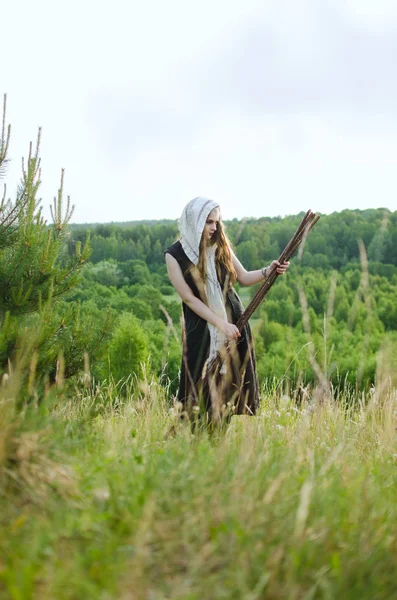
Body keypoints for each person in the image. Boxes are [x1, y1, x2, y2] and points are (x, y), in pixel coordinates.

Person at [165, 197, 289, 420]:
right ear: (194, 222)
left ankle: (219, 443)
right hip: (201, 330)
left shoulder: (220, 246)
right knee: (198, 390)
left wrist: (268, 271)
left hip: (234, 324)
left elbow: (244, 277)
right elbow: (189, 300)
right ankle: (195, 442)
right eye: (209, 222)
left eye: (217, 222)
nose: (214, 228)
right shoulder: (175, 255)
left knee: (227, 391)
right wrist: (221, 324)